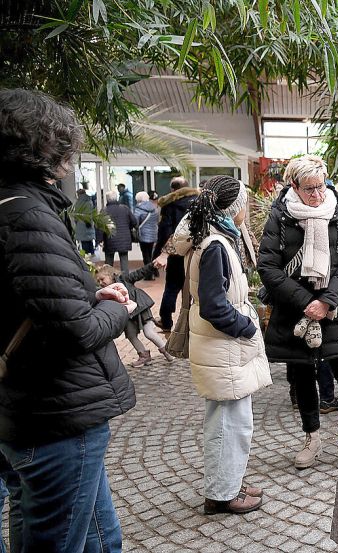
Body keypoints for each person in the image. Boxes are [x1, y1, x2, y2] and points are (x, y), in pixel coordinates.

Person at [0, 88, 136, 553]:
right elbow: (75, 331)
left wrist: (83, 294)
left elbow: (37, 300)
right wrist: (118, 304)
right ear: (46, 147)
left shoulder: (19, 207)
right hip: (53, 415)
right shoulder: (25, 214)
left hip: (37, 407)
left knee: (101, 537)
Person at [258, 155, 338, 468]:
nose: (317, 194)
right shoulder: (280, 215)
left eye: (320, 186)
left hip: (333, 308)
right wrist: (305, 301)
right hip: (295, 308)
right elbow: (267, 265)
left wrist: (327, 300)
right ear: (294, 185)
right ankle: (312, 438)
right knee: (303, 374)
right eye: (309, 189)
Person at [172, 175, 271, 514]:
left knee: (232, 421)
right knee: (229, 425)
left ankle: (230, 481)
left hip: (221, 347)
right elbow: (215, 305)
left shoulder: (212, 237)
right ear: (235, 208)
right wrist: (245, 327)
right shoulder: (215, 245)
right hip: (223, 345)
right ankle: (222, 494)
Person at [95, 263, 172, 367]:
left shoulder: (124, 279)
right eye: (98, 281)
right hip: (128, 314)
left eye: (102, 279)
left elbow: (140, 272)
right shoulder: (106, 292)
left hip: (140, 308)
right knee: (131, 335)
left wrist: (153, 266)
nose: (101, 283)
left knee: (149, 332)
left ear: (111, 275)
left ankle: (166, 351)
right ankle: (144, 355)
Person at [153, 177, 199, 331]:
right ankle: (192, 323)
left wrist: (159, 253)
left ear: (173, 189)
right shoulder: (199, 202)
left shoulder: (169, 205)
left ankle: (166, 320)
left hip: (175, 253)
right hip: (195, 252)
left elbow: (164, 231)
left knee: (172, 287)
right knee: (195, 287)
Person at [99, 189, 137, 272]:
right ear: (116, 198)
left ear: (106, 199)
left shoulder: (104, 211)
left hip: (110, 239)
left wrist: (100, 240)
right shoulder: (125, 208)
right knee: (124, 261)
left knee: (108, 262)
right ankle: (125, 280)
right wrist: (128, 228)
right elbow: (134, 222)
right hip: (124, 239)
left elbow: (100, 227)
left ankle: (108, 279)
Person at [134, 190, 160, 272]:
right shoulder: (154, 208)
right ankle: (154, 271)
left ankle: (148, 273)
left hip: (143, 234)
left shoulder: (139, 209)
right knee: (151, 254)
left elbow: (135, 222)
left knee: (146, 255)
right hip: (153, 234)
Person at [74, 188, 97, 255]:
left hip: (80, 223)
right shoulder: (89, 201)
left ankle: (85, 254)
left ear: (79, 194)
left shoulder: (78, 203)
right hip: (88, 222)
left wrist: (76, 221)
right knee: (89, 239)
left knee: (83, 241)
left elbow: (76, 214)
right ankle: (92, 252)